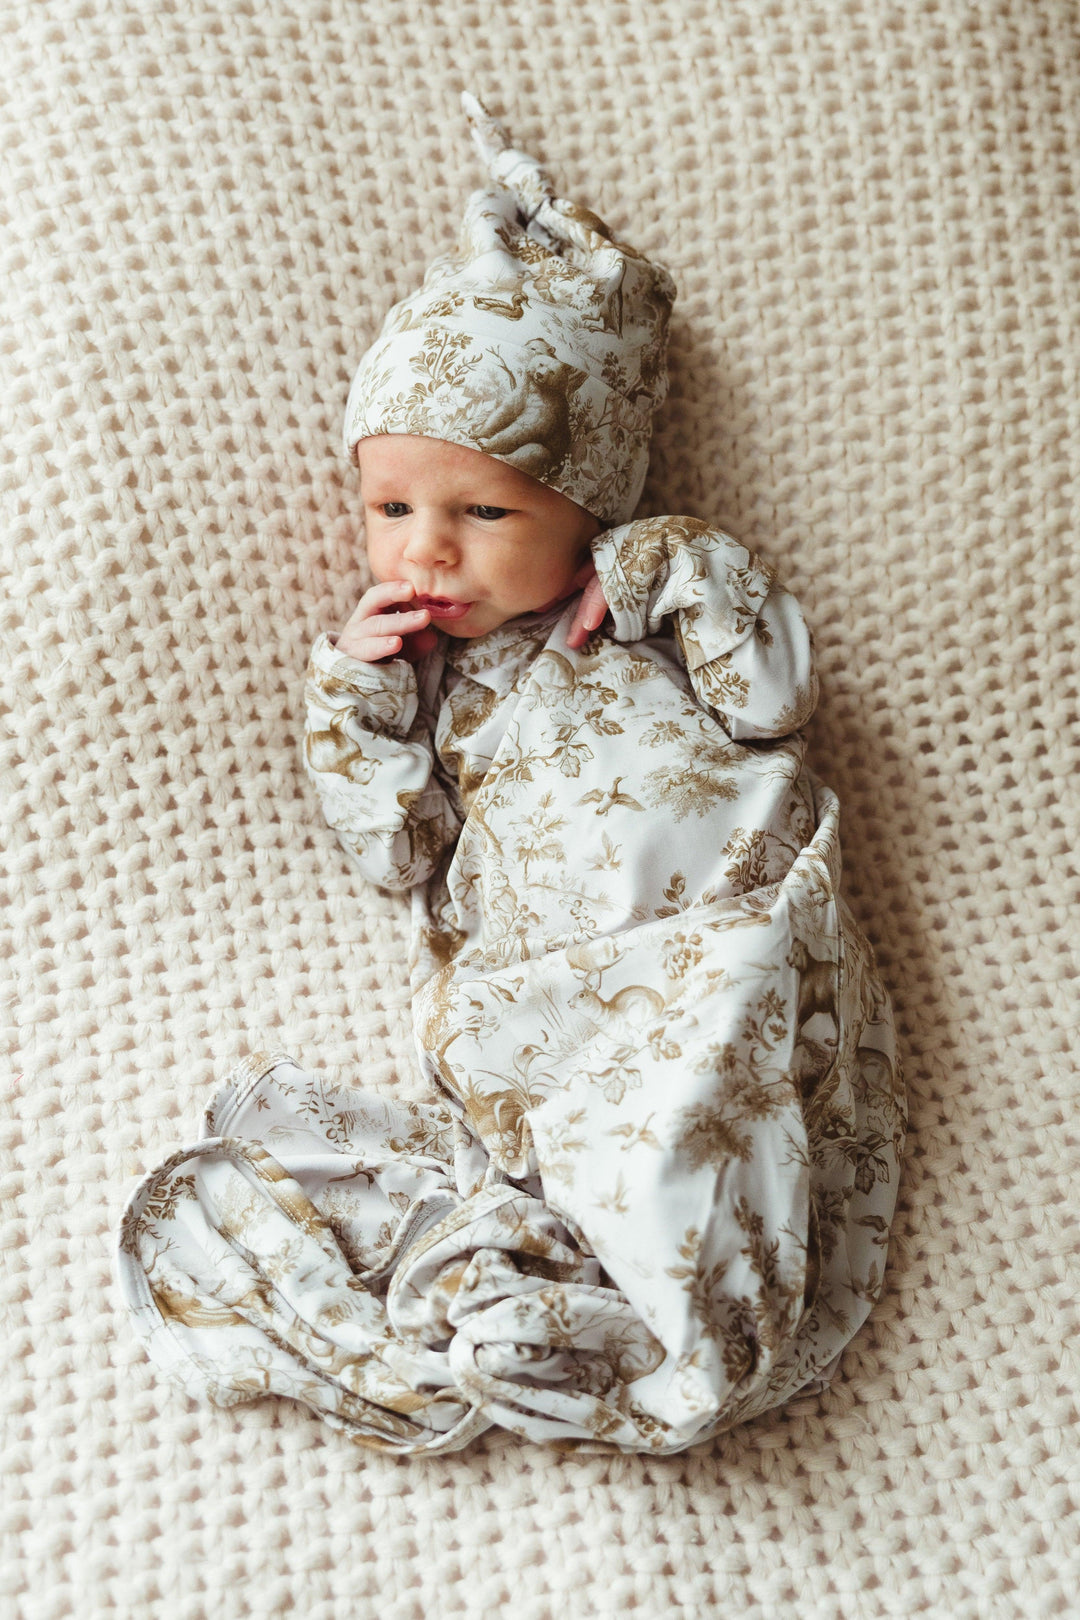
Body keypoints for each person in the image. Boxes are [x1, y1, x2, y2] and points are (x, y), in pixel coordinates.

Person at [117, 95, 906, 1456]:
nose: (427, 552)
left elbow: (773, 698)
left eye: (484, 513)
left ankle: (681, 1319)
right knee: (602, 1123)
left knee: (713, 1082)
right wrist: (359, 701)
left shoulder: (648, 594)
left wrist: (665, 567)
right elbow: (397, 852)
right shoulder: (428, 677)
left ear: (584, 505)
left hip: (728, 916)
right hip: (557, 972)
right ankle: (613, 1304)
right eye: (392, 510)